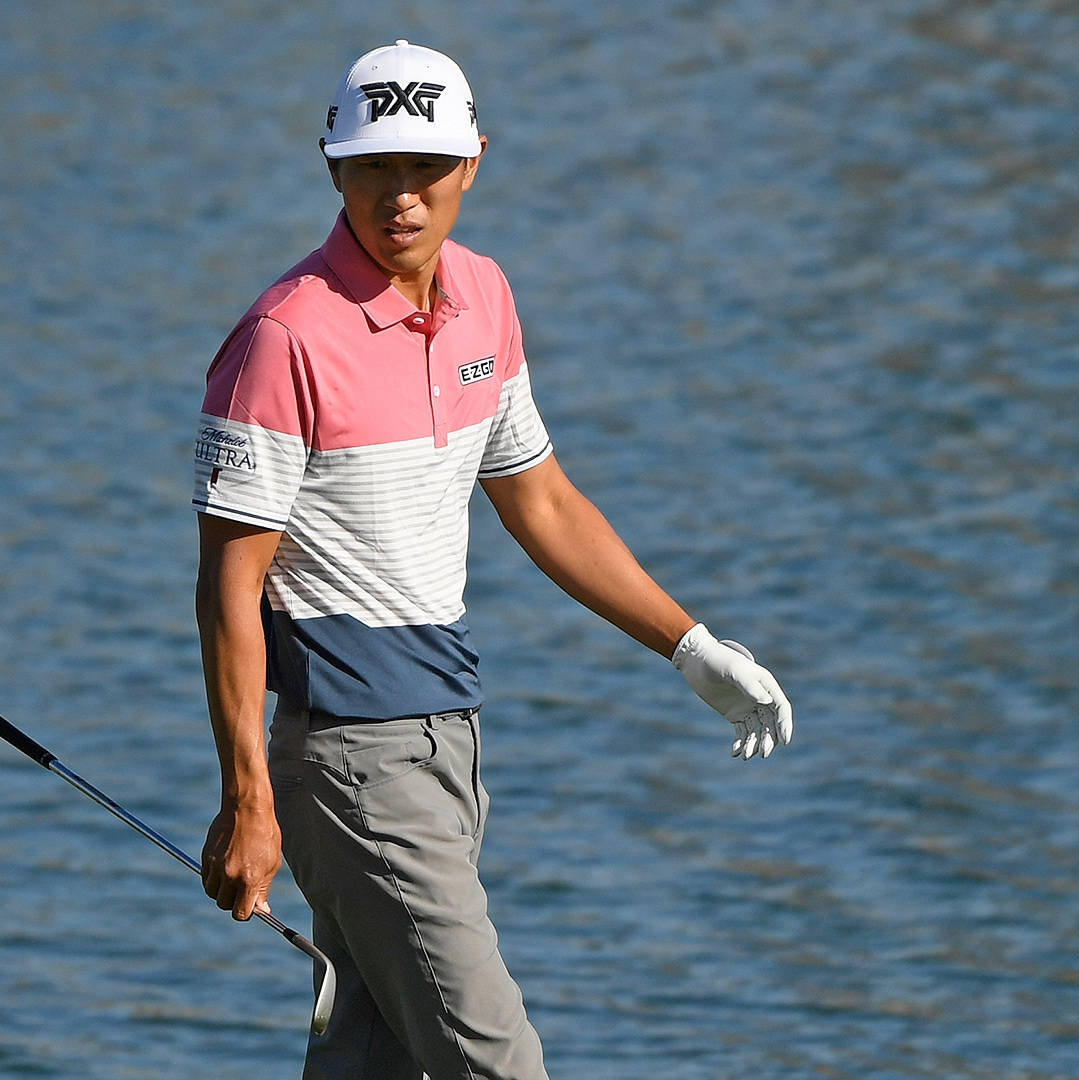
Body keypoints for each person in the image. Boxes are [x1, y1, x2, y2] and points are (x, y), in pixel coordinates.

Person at [192, 40, 793, 1080]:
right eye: (377, 168)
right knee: (496, 1064)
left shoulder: (485, 298)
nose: (403, 197)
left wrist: (691, 648)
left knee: (372, 1060)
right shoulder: (282, 340)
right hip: (353, 761)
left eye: (427, 169)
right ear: (334, 167)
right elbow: (229, 588)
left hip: (450, 741)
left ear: (473, 161)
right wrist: (250, 795)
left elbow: (543, 502)